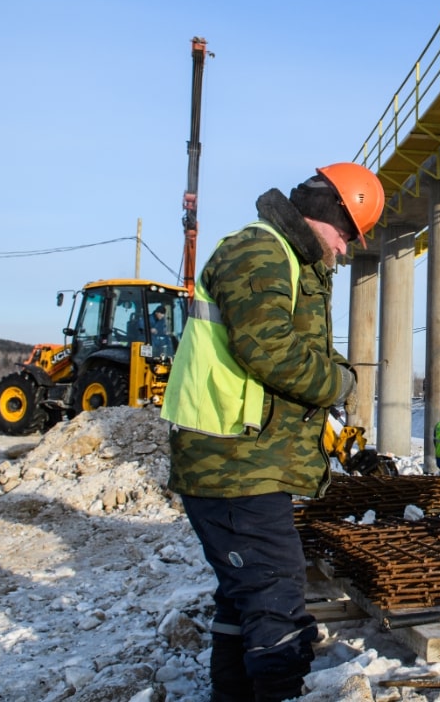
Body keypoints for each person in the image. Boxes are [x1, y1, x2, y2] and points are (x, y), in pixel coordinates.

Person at [161, 162, 384, 702]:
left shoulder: (291, 260)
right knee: (277, 598)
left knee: (245, 598)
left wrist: (337, 389)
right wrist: (338, 383)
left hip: (247, 461)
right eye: (346, 235)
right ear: (327, 214)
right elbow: (270, 351)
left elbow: (289, 348)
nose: (346, 250)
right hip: (233, 461)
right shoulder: (260, 252)